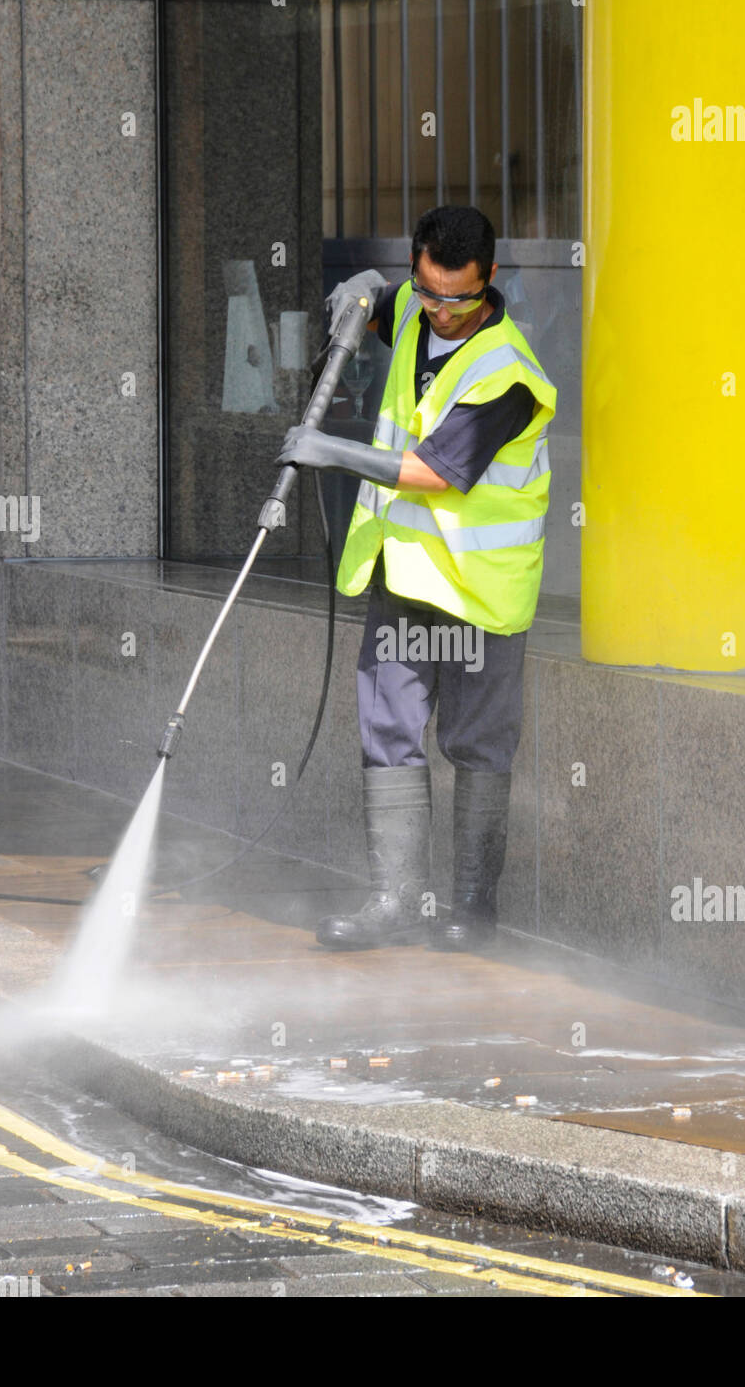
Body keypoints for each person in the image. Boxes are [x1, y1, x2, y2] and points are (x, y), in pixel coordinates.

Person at [276, 205, 557, 951]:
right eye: (427, 292)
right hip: (405, 577)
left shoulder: (509, 374)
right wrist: (364, 284)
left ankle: (471, 910)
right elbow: (383, 304)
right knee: (388, 730)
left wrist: (331, 451)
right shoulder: (414, 306)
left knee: (476, 744)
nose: (441, 311)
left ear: (490, 279)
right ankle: (397, 901)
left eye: (457, 298)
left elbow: (436, 472)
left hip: (480, 592)